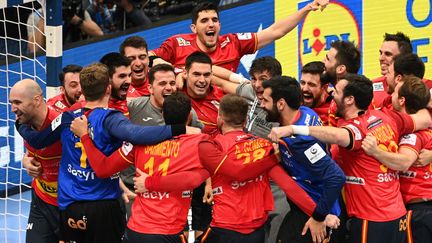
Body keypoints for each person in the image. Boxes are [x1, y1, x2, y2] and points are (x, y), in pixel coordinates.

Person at [15, 63, 188, 242]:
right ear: (108, 88)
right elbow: (136, 134)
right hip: (103, 205)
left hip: (70, 205)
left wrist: (19, 124)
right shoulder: (110, 119)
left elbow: (38, 140)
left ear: (83, 90)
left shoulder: (67, 117)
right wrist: (179, 128)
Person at [268, 73, 431, 243]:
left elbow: (338, 136)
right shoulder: (386, 116)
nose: (332, 94)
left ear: (349, 100)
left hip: (372, 218)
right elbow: (425, 119)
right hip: (397, 215)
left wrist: (294, 129)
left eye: (336, 92)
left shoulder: (356, 129)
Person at [197, 94, 340, 243]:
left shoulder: (214, 146)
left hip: (224, 228)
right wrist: (320, 214)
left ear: (219, 118)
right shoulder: (264, 147)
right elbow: (288, 185)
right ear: (246, 120)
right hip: (256, 232)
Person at [71, 92, 207, 243]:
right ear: (189, 116)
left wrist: (84, 137)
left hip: (136, 231)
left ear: (162, 114)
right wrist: (205, 174)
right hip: (169, 232)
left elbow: (103, 169)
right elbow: (212, 170)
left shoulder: (140, 142)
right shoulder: (199, 144)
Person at [208, 56, 289, 243]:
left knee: (273, 235)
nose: (257, 84)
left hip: (275, 180)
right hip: (249, 179)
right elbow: (220, 81)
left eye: (263, 79)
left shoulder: (285, 107)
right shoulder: (251, 92)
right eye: (253, 78)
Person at [260, 76, 345, 243]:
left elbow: (336, 177)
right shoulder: (304, 113)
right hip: (305, 206)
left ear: (281, 104)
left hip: (314, 211)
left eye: (265, 100)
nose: (262, 105)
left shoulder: (301, 142)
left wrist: (319, 217)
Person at [149, 0, 329, 79]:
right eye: (204, 21)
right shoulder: (177, 43)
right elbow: (148, 56)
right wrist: (177, 71)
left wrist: (307, 8)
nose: (211, 24)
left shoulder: (233, 42)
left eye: (215, 20)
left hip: (226, 112)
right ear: (194, 28)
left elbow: (275, 31)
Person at [120, 63, 203, 218]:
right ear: (150, 88)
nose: (169, 88)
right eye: (162, 83)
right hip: (134, 189)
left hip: (173, 191)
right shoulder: (132, 107)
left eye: (172, 83)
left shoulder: (188, 112)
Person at [361, 75, 432, 243]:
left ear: (401, 100)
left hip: (419, 212)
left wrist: (375, 152)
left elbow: (404, 162)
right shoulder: (423, 126)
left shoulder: (413, 135)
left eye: (394, 93)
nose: (389, 94)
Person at [10, 79, 62, 243]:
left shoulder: (62, 124)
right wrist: (26, 160)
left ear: (37, 100)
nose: (13, 109)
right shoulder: (23, 123)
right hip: (42, 200)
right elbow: (32, 149)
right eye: (11, 103)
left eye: (17, 102)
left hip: (68, 203)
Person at [321, 40, 361, 127]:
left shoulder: (349, 101)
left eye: (327, 59)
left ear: (340, 69)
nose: (323, 61)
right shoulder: (344, 94)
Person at [372, 32, 412, 106]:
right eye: (381, 53)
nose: (381, 58)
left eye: (388, 54)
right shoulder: (370, 87)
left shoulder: (426, 88)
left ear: (403, 58)